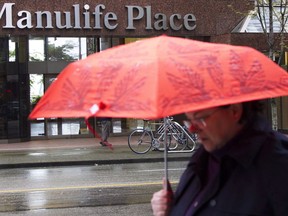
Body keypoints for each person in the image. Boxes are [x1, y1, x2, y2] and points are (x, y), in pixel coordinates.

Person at [151, 100, 288, 216]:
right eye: (189, 121)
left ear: (234, 111)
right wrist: (173, 209)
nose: (192, 129)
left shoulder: (277, 164)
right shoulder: (203, 157)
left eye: (200, 119)